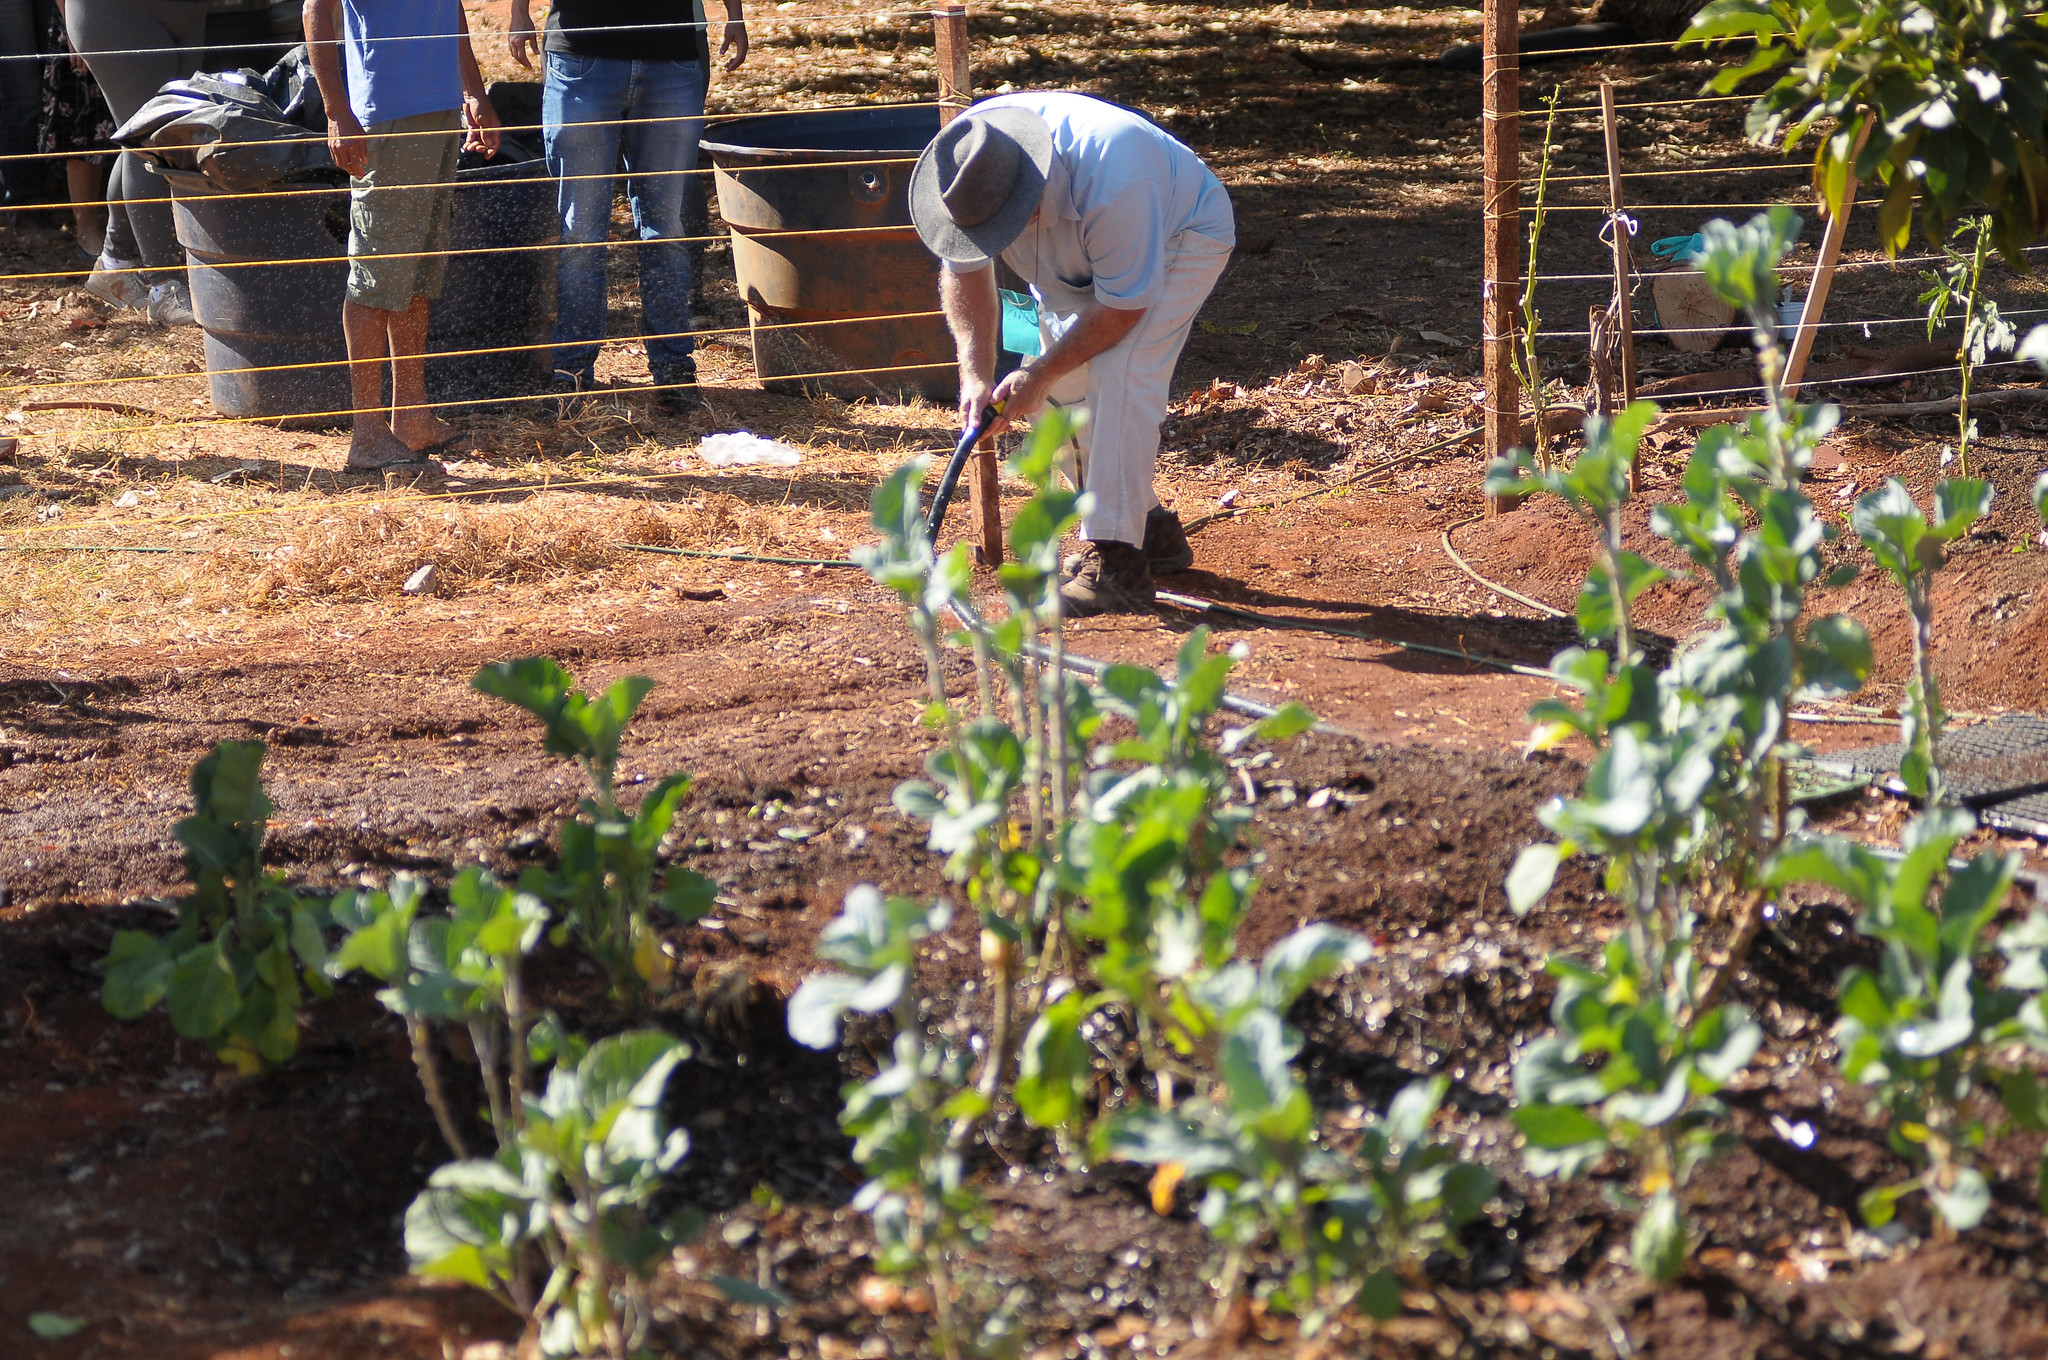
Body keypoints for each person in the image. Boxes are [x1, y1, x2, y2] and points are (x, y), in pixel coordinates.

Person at [910, 92, 1234, 616]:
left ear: (1033, 189)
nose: (1000, 241)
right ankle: (1146, 526)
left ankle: (1117, 560)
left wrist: (1037, 372)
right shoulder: (965, 165)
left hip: (1180, 231)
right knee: (1054, 394)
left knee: (1120, 369)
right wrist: (975, 374)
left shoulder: (1115, 171)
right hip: (1079, 258)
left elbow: (1122, 310)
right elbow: (964, 272)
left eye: (1007, 225)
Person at [507, 0, 746, 416]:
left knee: (665, 230)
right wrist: (517, 13)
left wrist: (736, 15)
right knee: (581, 233)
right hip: (580, 59)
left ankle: (674, 370)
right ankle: (572, 372)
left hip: (672, 60)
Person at [303, 0, 500, 470]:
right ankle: (367, 433)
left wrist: (473, 91)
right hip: (386, 115)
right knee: (376, 274)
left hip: (441, 109)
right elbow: (316, 10)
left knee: (417, 272)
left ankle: (411, 417)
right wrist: (337, 112)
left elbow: (449, 10)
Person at [65, 0, 208, 325]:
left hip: (187, 13)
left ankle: (114, 263)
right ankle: (163, 287)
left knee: (164, 134)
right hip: (117, 11)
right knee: (152, 137)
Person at [36, 0, 115, 259]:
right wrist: (74, 26)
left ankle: (128, 235)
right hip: (81, 18)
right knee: (82, 127)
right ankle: (87, 233)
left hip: (135, 18)